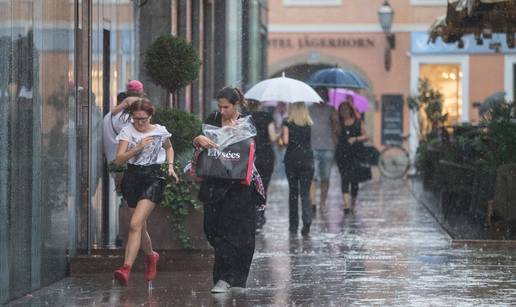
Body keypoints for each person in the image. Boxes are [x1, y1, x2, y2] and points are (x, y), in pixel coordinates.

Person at [192, 87, 264, 293]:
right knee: (213, 229)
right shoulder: (213, 119)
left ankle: (231, 279)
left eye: (226, 107)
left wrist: (236, 135)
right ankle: (225, 277)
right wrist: (198, 140)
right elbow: (199, 140)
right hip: (214, 182)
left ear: (236, 105)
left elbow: (254, 149)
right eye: (220, 106)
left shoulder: (247, 122)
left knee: (241, 232)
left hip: (239, 185)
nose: (222, 111)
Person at [112, 98, 178, 286]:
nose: (139, 123)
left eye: (143, 119)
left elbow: (169, 147)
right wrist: (137, 148)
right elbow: (118, 160)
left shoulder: (160, 131)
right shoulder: (127, 131)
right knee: (140, 227)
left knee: (134, 224)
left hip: (153, 178)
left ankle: (126, 269)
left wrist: (170, 166)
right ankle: (151, 256)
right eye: (136, 119)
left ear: (150, 116)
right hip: (132, 179)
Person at [282, 102, 314, 236]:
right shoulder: (308, 123)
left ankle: (293, 226)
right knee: (305, 193)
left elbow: (285, 141)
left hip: (292, 160)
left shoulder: (287, 122)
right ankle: (307, 220)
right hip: (307, 160)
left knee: (293, 193)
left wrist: (281, 135)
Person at [247, 99, 279, 229]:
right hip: (266, 156)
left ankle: (252, 214)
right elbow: (273, 137)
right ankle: (260, 215)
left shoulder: (246, 117)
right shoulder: (267, 116)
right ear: (260, 103)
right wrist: (279, 131)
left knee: (251, 186)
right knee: (263, 186)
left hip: (251, 155)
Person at [334, 97, 369, 213]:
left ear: (350, 110)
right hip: (342, 153)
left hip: (356, 153)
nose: (344, 112)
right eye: (341, 110)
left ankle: (353, 202)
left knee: (354, 180)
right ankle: (346, 204)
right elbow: (336, 136)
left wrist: (356, 138)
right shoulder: (339, 123)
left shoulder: (358, 121)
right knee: (344, 178)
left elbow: (366, 136)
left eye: (345, 109)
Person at [308, 88, 336, 213]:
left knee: (325, 177)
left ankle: (323, 202)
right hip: (312, 147)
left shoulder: (331, 110)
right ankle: (313, 202)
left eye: (323, 95)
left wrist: (335, 119)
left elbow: (337, 129)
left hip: (328, 147)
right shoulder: (309, 110)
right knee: (312, 177)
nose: (321, 97)